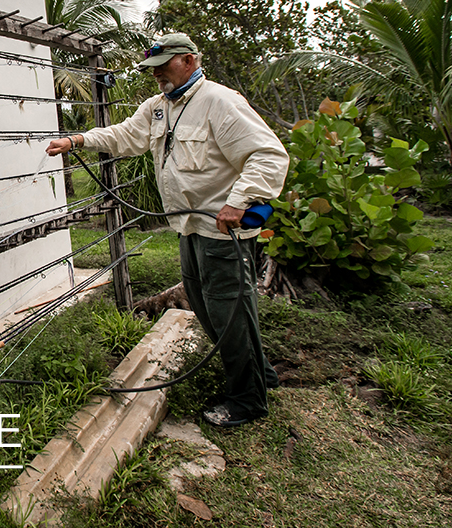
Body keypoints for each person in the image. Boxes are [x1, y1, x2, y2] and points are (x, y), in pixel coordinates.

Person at [46, 33, 289, 427]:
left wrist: (239, 201)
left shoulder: (219, 102)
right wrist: (77, 140)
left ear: (190, 60)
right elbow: (126, 135)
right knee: (204, 302)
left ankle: (248, 400)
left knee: (230, 312)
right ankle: (260, 375)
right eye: (153, 69)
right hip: (188, 225)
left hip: (221, 230)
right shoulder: (159, 107)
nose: (157, 74)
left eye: (165, 65)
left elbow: (268, 154)